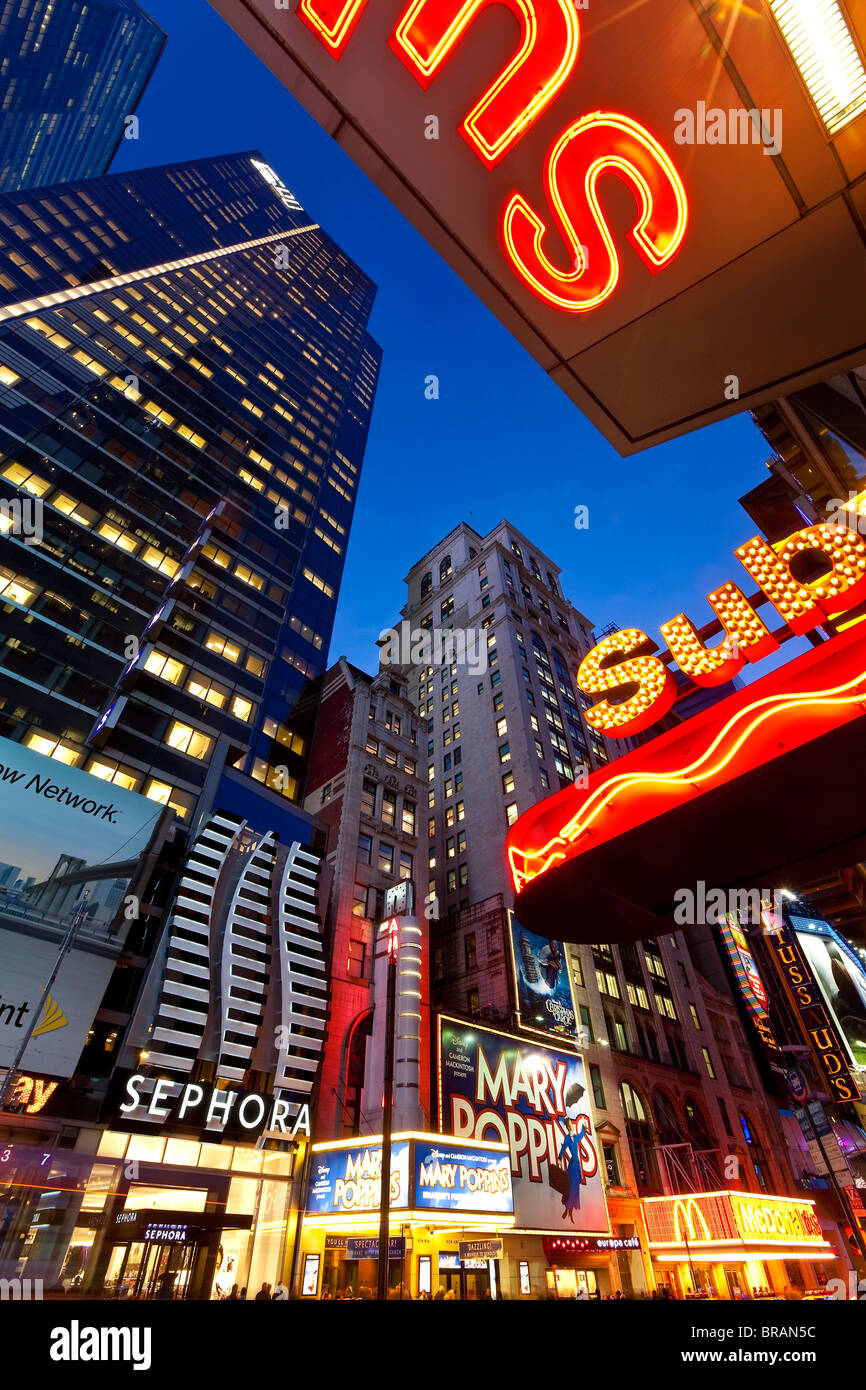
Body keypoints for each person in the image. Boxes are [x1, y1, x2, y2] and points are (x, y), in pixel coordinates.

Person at [557, 1115, 588, 1223]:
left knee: (575, 1190)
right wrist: (559, 1158)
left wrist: (584, 1125)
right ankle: (567, 1210)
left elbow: (582, 1134)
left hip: (576, 1166)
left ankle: (569, 1211)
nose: (572, 1125)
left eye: (571, 1124)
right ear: (568, 1126)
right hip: (572, 1165)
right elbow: (563, 1148)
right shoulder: (567, 1138)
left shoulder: (575, 1137)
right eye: (570, 1124)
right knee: (570, 1189)